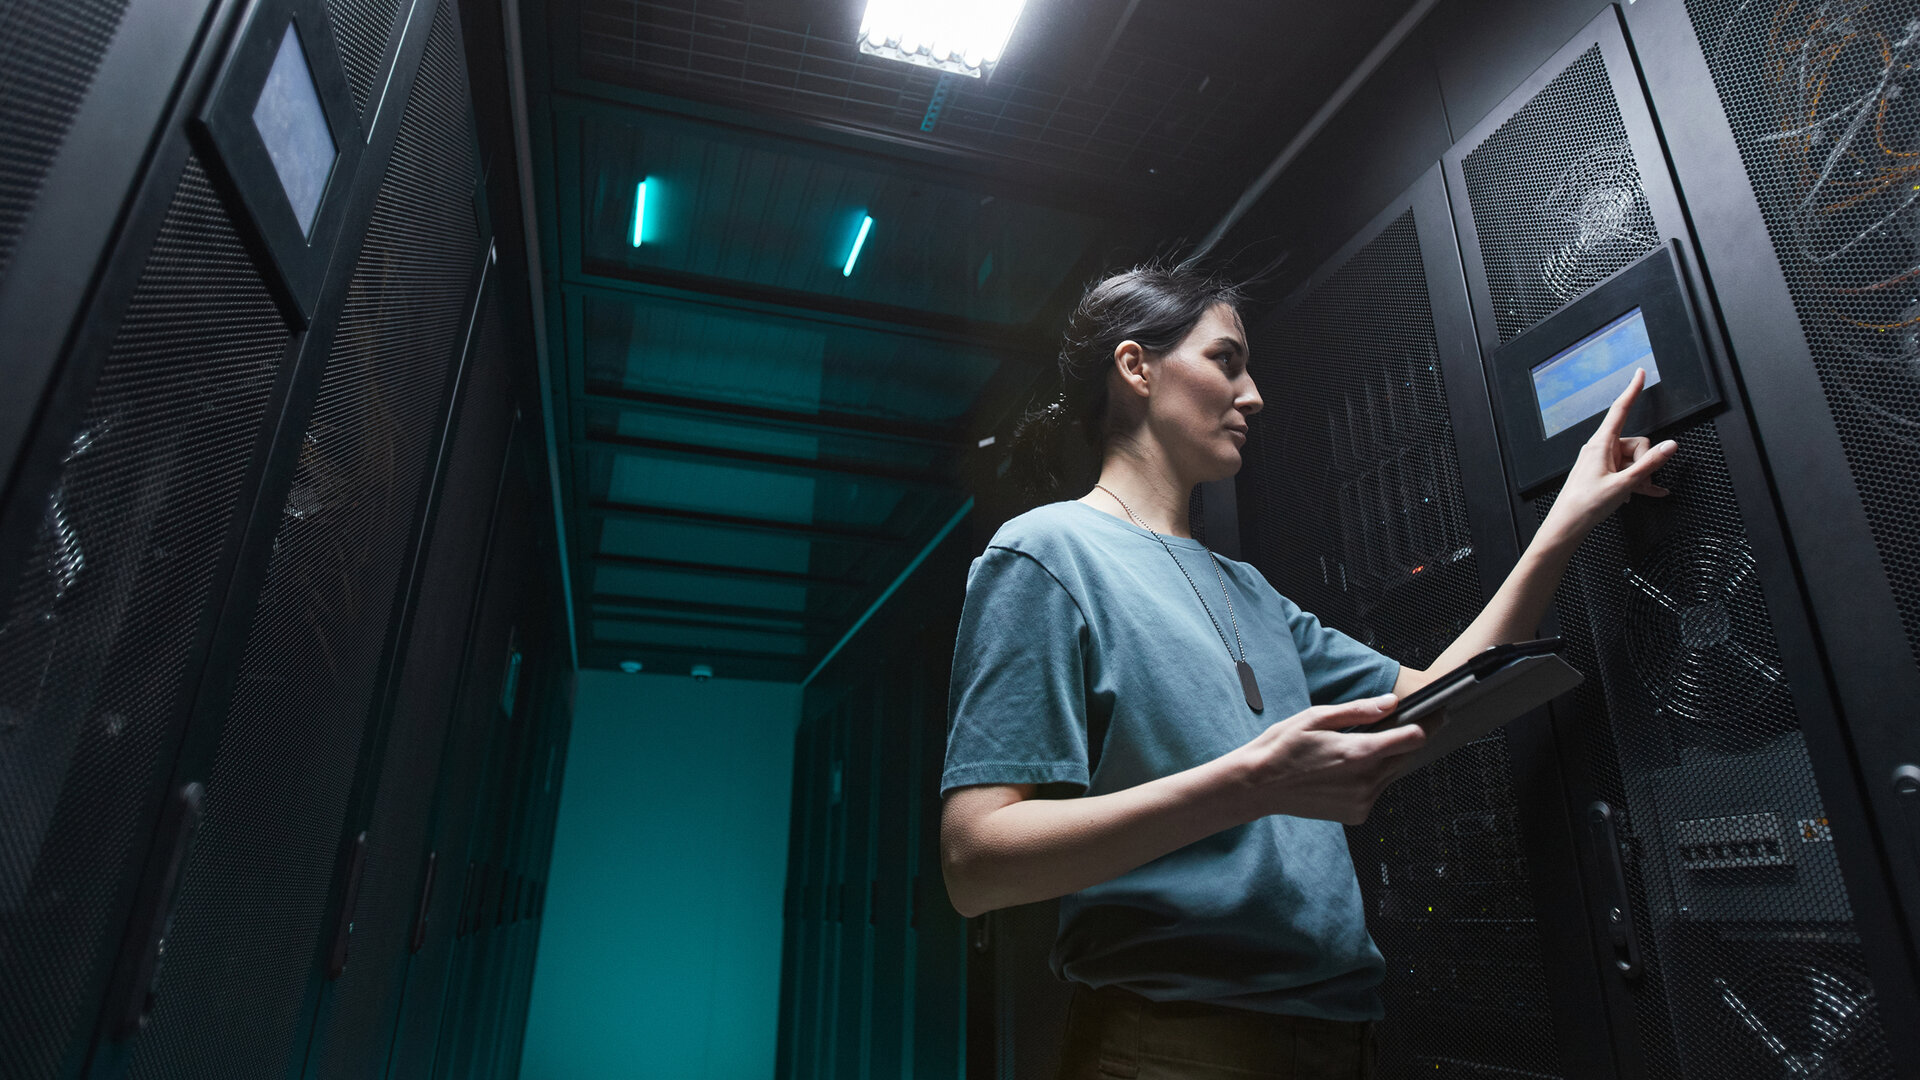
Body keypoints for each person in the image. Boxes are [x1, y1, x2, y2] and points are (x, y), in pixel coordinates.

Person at [938, 261, 1676, 1080]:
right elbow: (975, 862)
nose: (1253, 395)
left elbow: (1442, 700)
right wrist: (1253, 785)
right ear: (1136, 367)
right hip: (1170, 1043)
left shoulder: (1249, 591)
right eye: (1226, 360)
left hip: (1341, 1032)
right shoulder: (1044, 554)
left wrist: (1564, 519)